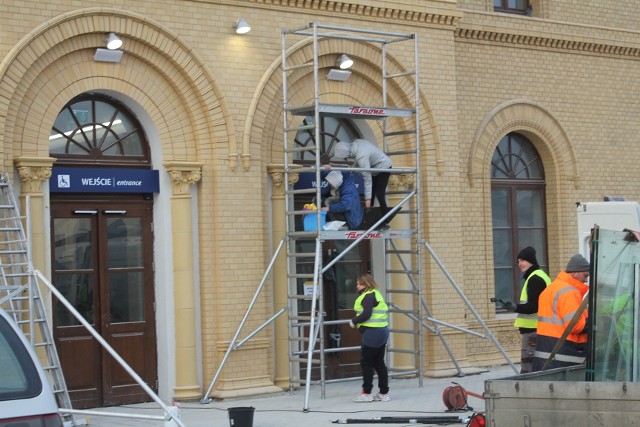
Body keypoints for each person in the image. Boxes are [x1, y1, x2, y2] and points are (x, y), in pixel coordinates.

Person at [532, 253, 590, 372]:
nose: (586, 280)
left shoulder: (551, 288)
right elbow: (575, 325)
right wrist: (596, 322)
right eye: (585, 275)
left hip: (546, 351)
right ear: (574, 273)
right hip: (563, 354)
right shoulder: (569, 292)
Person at [502, 246, 551, 374]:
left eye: (523, 260)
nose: (520, 264)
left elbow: (534, 306)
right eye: (518, 261)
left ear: (531, 261)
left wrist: (515, 307)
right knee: (538, 366)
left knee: (528, 369)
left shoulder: (535, 279)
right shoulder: (539, 276)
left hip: (533, 332)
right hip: (539, 329)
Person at [332, 139, 393, 229]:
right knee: (371, 193)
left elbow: (367, 178)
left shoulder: (361, 156)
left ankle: (386, 221)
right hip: (375, 169)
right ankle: (370, 219)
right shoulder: (356, 144)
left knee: (379, 194)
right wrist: (351, 171)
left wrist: (367, 199)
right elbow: (357, 162)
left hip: (384, 167)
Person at [349, 273, 390, 402]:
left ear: (366, 284)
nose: (357, 286)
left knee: (366, 363)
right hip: (383, 331)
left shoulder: (368, 296)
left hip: (372, 333)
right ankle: (383, 393)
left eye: (359, 284)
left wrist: (354, 321)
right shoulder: (376, 293)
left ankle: (366, 393)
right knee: (379, 363)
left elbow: (367, 313)